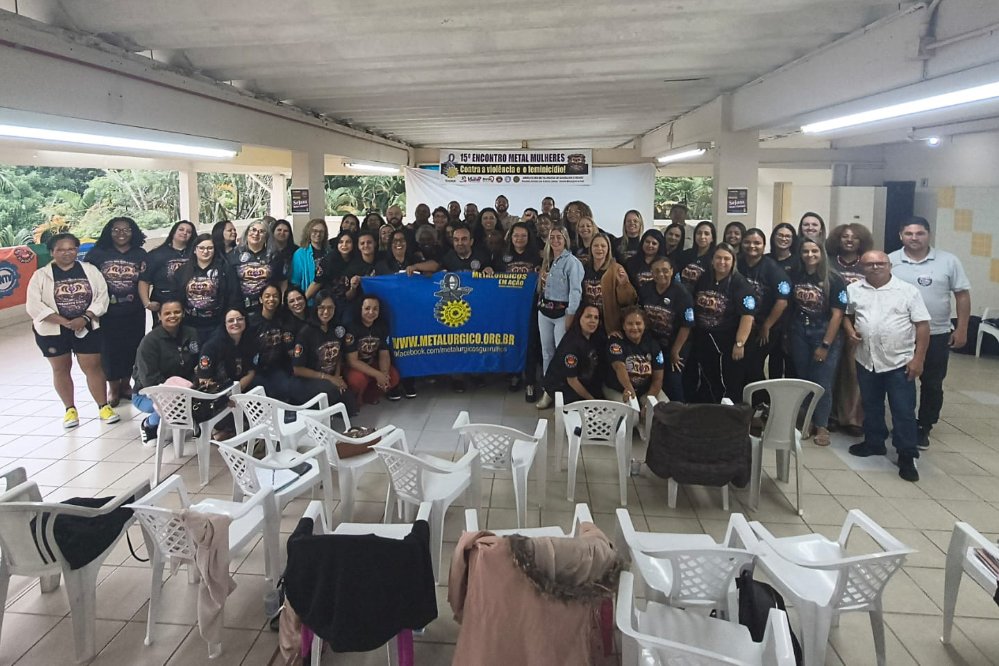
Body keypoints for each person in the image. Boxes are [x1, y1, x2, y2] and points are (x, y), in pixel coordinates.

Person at [844, 251, 931, 482]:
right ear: (861, 267)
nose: (875, 267)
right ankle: (874, 442)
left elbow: (922, 326)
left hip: (899, 361)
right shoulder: (853, 290)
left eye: (880, 263)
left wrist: (919, 359)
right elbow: (847, 315)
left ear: (890, 265)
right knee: (871, 404)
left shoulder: (908, 291)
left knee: (903, 409)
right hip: (866, 359)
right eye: (869, 264)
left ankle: (907, 454)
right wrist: (850, 331)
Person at [888, 216, 971, 450]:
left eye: (920, 233)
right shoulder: (891, 260)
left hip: (937, 332)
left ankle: (924, 425)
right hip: (900, 333)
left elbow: (962, 295)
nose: (914, 238)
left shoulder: (948, 261)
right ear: (901, 236)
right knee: (899, 381)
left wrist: (962, 328)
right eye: (909, 233)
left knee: (932, 383)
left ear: (928, 234)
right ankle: (903, 423)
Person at [26, 233, 119, 428]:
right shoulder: (41, 275)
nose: (66, 253)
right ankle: (70, 410)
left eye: (71, 249)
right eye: (60, 250)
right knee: (60, 368)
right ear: (52, 252)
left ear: (77, 250)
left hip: (87, 326)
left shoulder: (90, 270)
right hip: (53, 330)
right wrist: (65, 322)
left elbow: (102, 297)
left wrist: (85, 318)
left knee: (93, 366)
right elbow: (34, 306)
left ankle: (103, 406)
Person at [788, 238, 848, 447]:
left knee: (822, 382)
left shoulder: (835, 279)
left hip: (824, 333)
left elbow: (838, 315)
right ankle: (807, 421)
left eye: (814, 251)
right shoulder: (795, 274)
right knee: (804, 379)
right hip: (799, 332)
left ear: (821, 253)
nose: (810, 255)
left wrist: (825, 345)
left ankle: (822, 424)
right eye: (805, 251)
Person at [85, 216, 148, 406]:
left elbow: (145, 280)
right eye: (116, 230)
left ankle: (126, 385)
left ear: (133, 232)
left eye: (126, 230)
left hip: (134, 311)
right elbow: (88, 281)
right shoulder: (97, 254)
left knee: (132, 348)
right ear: (109, 232)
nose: (122, 233)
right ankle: (113, 389)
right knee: (109, 351)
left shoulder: (140, 254)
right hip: (107, 313)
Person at [689, 243, 756, 403]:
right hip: (704, 338)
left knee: (729, 381)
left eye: (726, 259)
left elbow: (747, 316)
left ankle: (729, 412)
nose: (722, 262)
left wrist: (739, 343)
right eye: (718, 258)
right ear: (712, 260)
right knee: (708, 378)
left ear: (733, 261)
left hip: (728, 341)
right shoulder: (704, 278)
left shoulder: (741, 284)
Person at [825, 223, 873, 436]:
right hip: (831, 321)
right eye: (845, 236)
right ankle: (830, 415)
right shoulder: (829, 262)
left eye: (854, 237)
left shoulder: (866, 264)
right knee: (831, 370)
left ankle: (852, 418)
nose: (849, 240)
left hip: (858, 322)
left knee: (853, 372)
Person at [132, 299, 199, 444]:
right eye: (167, 313)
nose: (172, 316)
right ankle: (149, 425)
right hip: (148, 393)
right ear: (159, 316)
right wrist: (177, 392)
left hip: (184, 388)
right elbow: (148, 379)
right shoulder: (149, 342)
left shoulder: (191, 333)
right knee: (172, 404)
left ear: (183, 314)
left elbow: (197, 362)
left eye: (177, 312)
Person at [535, 225, 584, 409]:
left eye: (559, 237)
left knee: (561, 353)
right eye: (552, 237)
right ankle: (548, 390)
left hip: (562, 314)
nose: (555, 240)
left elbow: (575, 291)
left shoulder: (572, 262)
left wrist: (571, 314)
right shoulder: (547, 260)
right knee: (547, 352)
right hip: (544, 312)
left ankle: (563, 392)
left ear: (565, 240)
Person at [738, 229, 791, 391]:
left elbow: (782, 301)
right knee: (740, 366)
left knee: (754, 366)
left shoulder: (773, 269)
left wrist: (767, 326)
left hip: (765, 328)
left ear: (764, 245)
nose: (752, 246)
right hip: (741, 324)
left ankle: (763, 400)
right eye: (747, 242)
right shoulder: (737, 263)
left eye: (757, 243)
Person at [637, 256, 693, 401]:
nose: (661, 274)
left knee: (673, 382)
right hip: (653, 343)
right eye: (656, 271)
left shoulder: (682, 294)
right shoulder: (645, 289)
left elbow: (686, 326)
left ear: (672, 271)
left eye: (665, 270)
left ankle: (679, 412)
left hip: (676, 344)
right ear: (651, 272)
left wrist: (675, 351)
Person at [292, 290, 357, 416]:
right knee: (331, 391)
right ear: (315, 308)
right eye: (322, 308)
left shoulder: (338, 328)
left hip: (330, 377)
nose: (326, 312)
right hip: (309, 379)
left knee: (350, 408)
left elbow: (339, 355)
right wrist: (329, 378)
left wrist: (337, 377)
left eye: (330, 308)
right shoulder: (305, 332)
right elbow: (297, 369)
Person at [496, 223, 543, 395]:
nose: (519, 239)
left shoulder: (537, 256)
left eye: (523, 235)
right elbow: (493, 278)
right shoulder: (502, 256)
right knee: (512, 341)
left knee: (530, 343)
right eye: (516, 235)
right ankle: (514, 375)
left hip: (531, 307)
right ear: (510, 237)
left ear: (529, 237)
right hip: (509, 308)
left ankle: (530, 381)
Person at [175, 233, 240, 341]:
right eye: (201, 248)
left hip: (216, 323)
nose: (205, 251)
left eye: (210, 248)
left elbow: (233, 295)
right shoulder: (182, 271)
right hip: (190, 323)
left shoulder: (225, 269)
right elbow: (176, 296)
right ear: (195, 250)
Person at [541, 304, 606, 404]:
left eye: (596, 318)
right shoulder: (571, 344)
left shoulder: (595, 336)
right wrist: (592, 401)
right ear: (579, 318)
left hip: (582, 379)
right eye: (588, 316)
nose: (593, 321)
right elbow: (572, 381)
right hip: (562, 385)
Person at [345, 295, 401, 404]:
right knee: (357, 380)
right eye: (367, 308)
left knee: (393, 377)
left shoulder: (382, 325)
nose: (371, 312)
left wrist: (384, 374)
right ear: (360, 308)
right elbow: (352, 361)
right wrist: (377, 374)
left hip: (372, 362)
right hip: (354, 366)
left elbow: (384, 353)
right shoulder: (351, 326)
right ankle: (356, 401)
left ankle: (370, 397)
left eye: (375, 309)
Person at [139, 219, 195, 325]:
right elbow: (144, 280)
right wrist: (147, 303)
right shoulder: (156, 254)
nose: (184, 233)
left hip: (189, 301)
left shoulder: (195, 253)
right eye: (181, 229)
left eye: (188, 232)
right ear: (173, 232)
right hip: (162, 300)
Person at [604, 307, 665, 403]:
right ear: (624, 326)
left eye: (638, 323)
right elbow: (619, 367)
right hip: (619, 389)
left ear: (644, 325)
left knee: (662, 406)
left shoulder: (653, 344)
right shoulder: (615, 341)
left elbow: (657, 379)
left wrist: (648, 404)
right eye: (630, 324)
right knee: (630, 409)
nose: (634, 327)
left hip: (646, 390)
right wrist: (630, 390)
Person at [581, 232, 637, 334]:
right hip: (589, 323)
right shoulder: (584, 268)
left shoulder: (617, 269)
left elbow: (628, 301)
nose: (599, 249)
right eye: (596, 245)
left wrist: (624, 285)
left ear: (608, 249)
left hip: (609, 326)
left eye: (603, 246)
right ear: (591, 248)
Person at [227, 220, 285, 315]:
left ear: (266, 237)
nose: (256, 234)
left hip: (267, 307)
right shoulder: (234, 254)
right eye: (253, 230)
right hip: (241, 307)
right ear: (247, 233)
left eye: (261, 231)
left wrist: (282, 301)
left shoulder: (274, 256)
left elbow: (282, 280)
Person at [308, 229, 355, 311]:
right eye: (341, 242)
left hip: (351, 301)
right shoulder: (328, 260)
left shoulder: (357, 260)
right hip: (329, 300)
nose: (344, 245)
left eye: (348, 242)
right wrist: (304, 299)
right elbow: (317, 282)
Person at [290, 218, 330, 293]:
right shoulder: (300, 254)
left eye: (321, 231)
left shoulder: (329, 252)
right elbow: (295, 281)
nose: (318, 234)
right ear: (308, 232)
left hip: (328, 294)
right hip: (308, 295)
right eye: (315, 231)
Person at [676, 221, 716, 288]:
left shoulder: (715, 258)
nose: (702, 236)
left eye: (706, 234)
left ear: (712, 238)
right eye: (699, 233)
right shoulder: (685, 255)